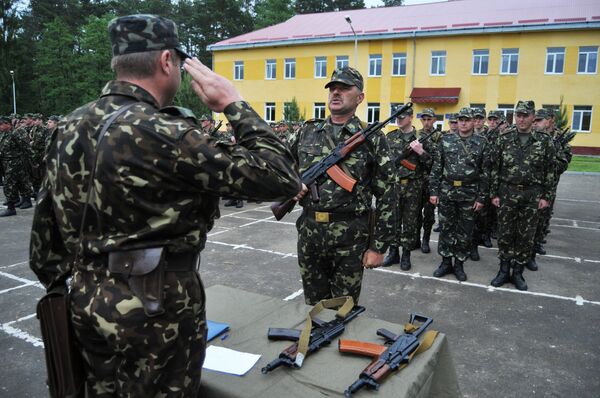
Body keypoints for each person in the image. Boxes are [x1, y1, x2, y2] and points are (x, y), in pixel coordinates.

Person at [29, 14, 302, 397]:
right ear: (166, 62)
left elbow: (44, 241)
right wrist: (234, 104)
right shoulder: (168, 133)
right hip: (154, 311)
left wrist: (81, 286)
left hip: (84, 303)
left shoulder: (69, 126)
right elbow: (281, 176)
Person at [288, 66, 396, 304]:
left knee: (343, 309)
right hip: (310, 234)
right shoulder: (307, 131)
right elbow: (279, 165)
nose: (336, 93)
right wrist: (291, 185)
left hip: (351, 237)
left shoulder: (372, 138)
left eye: (344, 88)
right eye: (332, 88)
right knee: (313, 306)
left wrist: (378, 247)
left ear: (360, 97)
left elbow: (388, 193)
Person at [490, 100, 555, 291]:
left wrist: (546, 197)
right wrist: (494, 193)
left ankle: (517, 272)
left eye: (525, 115)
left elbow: (550, 171)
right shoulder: (504, 139)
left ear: (533, 117)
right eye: (518, 115)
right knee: (505, 233)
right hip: (507, 193)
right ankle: (503, 271)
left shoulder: (544, 141)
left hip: (532, 195)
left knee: (526, 236)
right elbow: (495, 168)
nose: (521, 119)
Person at [429, 107, 489, 281]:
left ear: (473, 122)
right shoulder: (446, 140)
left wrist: (481, 197)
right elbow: (437, 167)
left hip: (469, 192)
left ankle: (459, 264)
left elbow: (486, 173)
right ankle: (446, 262)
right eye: (461, 119)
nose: (463, 122)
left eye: (467, 120)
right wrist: (434, 191)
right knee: (446, 228)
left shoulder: (482, 142)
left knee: (465, 230)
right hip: (447, 191)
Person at [382, 106, 435, 270]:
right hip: (395, 185)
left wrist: (421, 152)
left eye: (402, 116)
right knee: (393, 220)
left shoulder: (423, 138)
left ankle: (406, 254)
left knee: (410, 222)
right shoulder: (390, 137)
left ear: (411, 118)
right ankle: (393, 253)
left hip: (413, 186)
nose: (398, 119)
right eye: (397, 117)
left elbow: (433, 163)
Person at [416, 108, 442, 254]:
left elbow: (437, 160)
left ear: (434, 120)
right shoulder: (416, 135)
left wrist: (422, 152)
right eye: (424, 119)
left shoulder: (439, 137)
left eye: (429, 119)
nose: (426, 122)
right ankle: (415, 239)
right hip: (416, 180)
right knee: (414, 213)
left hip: (431, 181)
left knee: (429, 214)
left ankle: (426, 240)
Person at [0, 116, 33, 216]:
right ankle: (25, 200)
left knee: (8, 184)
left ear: (8, 124)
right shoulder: (4, 134)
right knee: (20, 182)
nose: (0, 126)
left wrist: (33, 160)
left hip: (15, 162)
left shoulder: (15, 134)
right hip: (6, 162)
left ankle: (11, 208)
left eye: (1, 124)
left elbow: (25, 147)